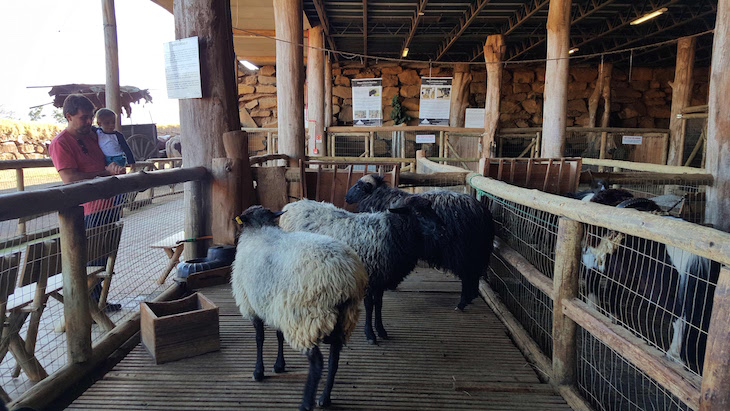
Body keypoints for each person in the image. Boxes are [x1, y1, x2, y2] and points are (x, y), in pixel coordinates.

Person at [49, 94, 125, 311]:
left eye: (90, 117)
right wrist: (104, 173)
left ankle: (98, 302)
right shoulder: (60, 143)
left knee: (103, 259)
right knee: (91, 260)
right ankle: (89, 307)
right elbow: (70, 178)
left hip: (109, 205)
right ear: (68, 116)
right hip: (87, 211)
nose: (89, 122)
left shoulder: (94, 136)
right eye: (83, 118)